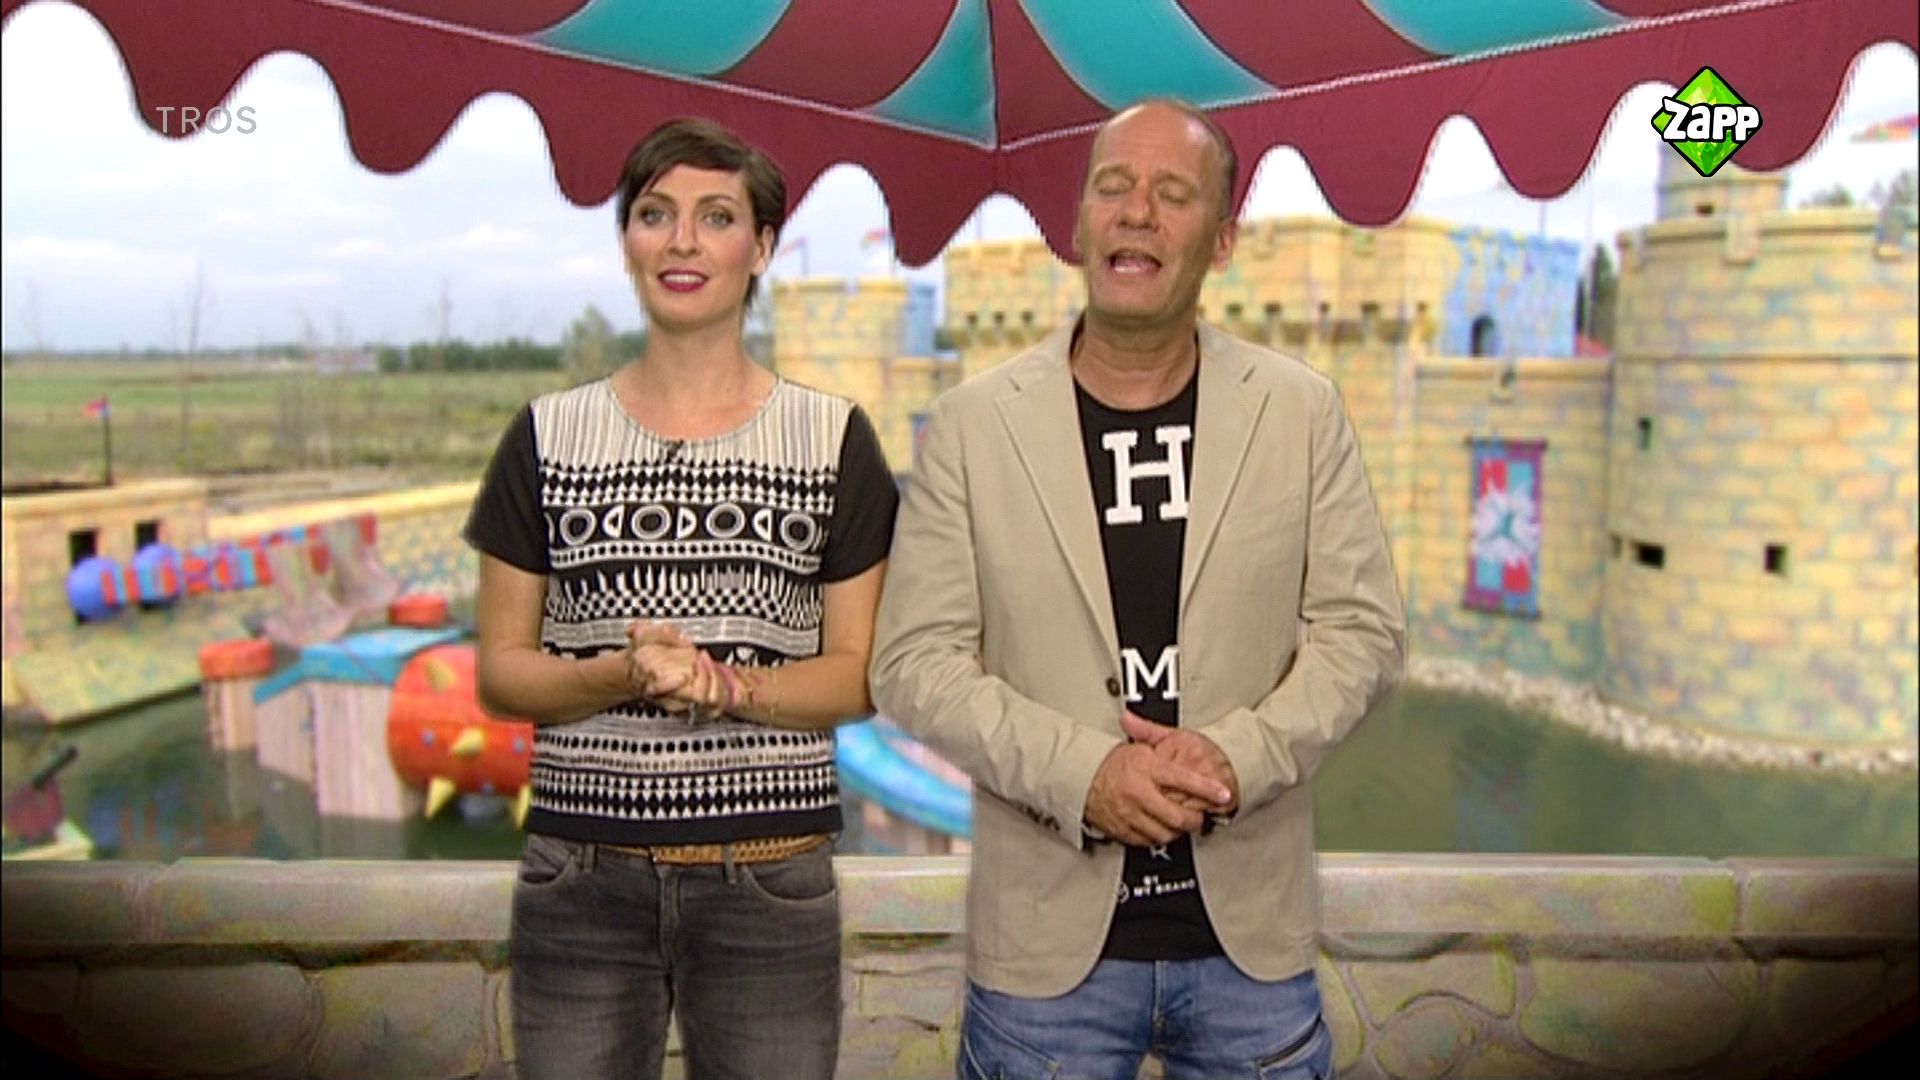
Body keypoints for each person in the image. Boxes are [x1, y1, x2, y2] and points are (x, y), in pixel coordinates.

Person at [870, 99, 1406, 1080]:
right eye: (1112, 187)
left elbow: (1363, 634)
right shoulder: (973, 428)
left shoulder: (1301, 413)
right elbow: (913, 665)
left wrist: (1236, 758)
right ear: (1078, 225)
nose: (1136, 212)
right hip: (1043, 969)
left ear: (1222, 240)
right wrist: (1086, 777)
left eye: (1172, 194)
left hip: (1252, 957)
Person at [466, 117, 897, 1080]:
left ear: (763, 247)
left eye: (717, 217)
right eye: (656, 215)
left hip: (770, 882)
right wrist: (621, 675)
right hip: (579, 881)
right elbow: (500, 672)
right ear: (627, 242)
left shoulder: (834, 441)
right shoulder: (545, 436)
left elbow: (858, 676)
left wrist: (723, 687)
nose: (683, 242)